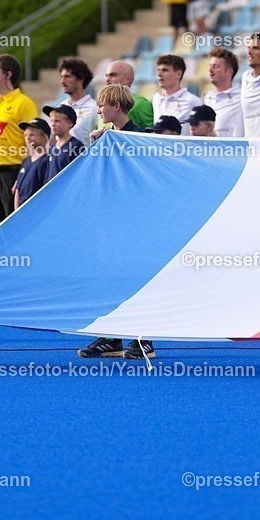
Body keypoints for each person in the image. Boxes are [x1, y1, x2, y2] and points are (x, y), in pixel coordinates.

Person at [80, 85, 155, 360]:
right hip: (110, 216)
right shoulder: (105, 137)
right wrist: (97, 143)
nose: (99, 110)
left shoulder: (141, 135)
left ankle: (144, 338)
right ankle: (112, 335)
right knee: (109, 275)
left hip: (136, 219)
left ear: (117, 106)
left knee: (137, 276)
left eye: (103, 104)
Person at [0, 54, 37, 228]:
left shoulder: (24, 103)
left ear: (8, 74)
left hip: (14, 172)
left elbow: (33, 143)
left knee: (16, 227)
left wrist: (24, 175)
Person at [152, 55, 202, 134]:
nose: (159, 74)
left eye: (165, 70)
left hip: (181, 145)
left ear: (178, 74)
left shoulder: (193, 101)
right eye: (158, 70)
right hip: (159, 145)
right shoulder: (156, 98)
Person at [58, 58, 99, 146]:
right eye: (61, 77)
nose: (62, 81)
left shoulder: (94, 108)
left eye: (67, 76)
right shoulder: (60, 107)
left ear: (81, 79)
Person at [204, 48, 244, 138]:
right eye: (210, 65)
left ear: (229, 71)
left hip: (233, 149)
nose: (210, 69)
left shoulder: (242, 97)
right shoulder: (207, 98)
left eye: (215, 66)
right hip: (210, 149)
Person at [13, 117, 50, 210]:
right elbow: (18, 189)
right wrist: (16, 210)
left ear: (44, 137)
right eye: (25, 135)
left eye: (32, 135)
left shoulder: (47, 161)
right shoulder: (26, 161)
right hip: (22, 209)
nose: (28, 138)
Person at [42, 104, 84, 184]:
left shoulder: (76, 146)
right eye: (51, 121)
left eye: (57, 121)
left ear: (70, 123)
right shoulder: (52, 146)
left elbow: (79, 174)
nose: (53, 124)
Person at [104, 61, 153, 129]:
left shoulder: (140, 103)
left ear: (127, 79)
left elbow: (152, 134)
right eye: (106, 75)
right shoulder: (102, 105)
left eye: (113, 75)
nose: (107, 79)